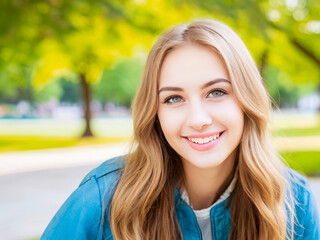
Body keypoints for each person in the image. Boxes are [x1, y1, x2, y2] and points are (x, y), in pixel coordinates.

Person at [41, 19, 320, 240]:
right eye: (174, 98)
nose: (198, 119)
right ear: (155, 113)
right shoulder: (103, 199)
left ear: (248, 100)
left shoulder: (294, 200)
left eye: (217, 92)